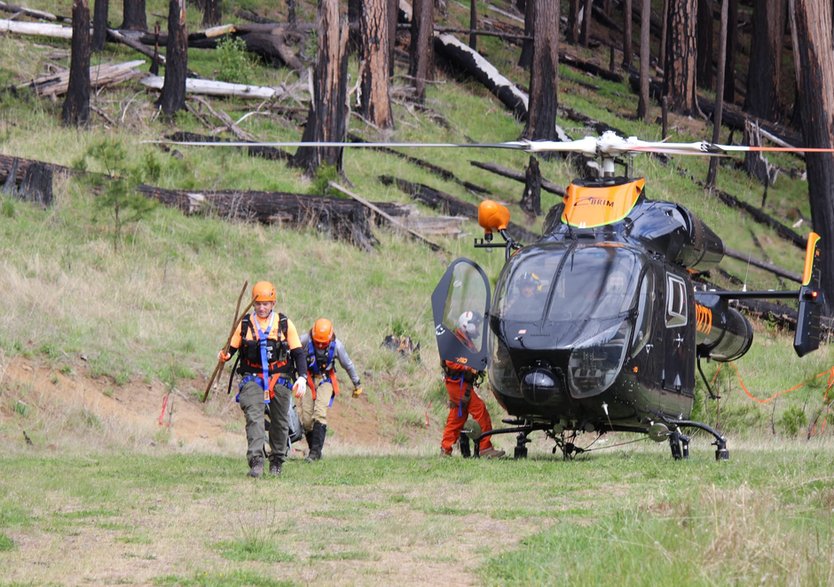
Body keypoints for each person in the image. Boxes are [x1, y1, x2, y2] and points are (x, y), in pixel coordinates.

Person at [218, 281, 307, 478]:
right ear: (253, 303)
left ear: (273, 303)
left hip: (281, 378)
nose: (262, 307)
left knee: (280, 421)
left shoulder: (284, 324)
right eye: (258, 304)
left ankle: (276, 460)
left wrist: (302, 377)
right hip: (252, 377)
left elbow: (298, 353)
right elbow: (230, 349)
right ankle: (256, 461)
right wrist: (224, 356)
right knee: (254, 417)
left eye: (266, 303)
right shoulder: (244, 325)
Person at [441, 311, 505, 459]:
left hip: (461, 386)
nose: (477, 328)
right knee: (480, 411)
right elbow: (451, 362)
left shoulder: (465, 341)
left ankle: (445, 449)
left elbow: (472, 358)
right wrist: (469, 367)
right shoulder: (456, 341)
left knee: (457, 417)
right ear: (466, 325)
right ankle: (485, 448)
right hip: (458, 385)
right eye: (475, 325)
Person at [298, 318, 363, 462]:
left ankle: (314, 453)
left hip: (325, 380)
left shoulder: (337, 346)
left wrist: (357, 383)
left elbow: (348, 365)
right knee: (307, 420)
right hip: (307, 380)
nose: (320, 345)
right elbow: (293, 351)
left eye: (323, 343)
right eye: (317, 342)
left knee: (319, 413)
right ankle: (314, 450)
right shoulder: (304, 340)